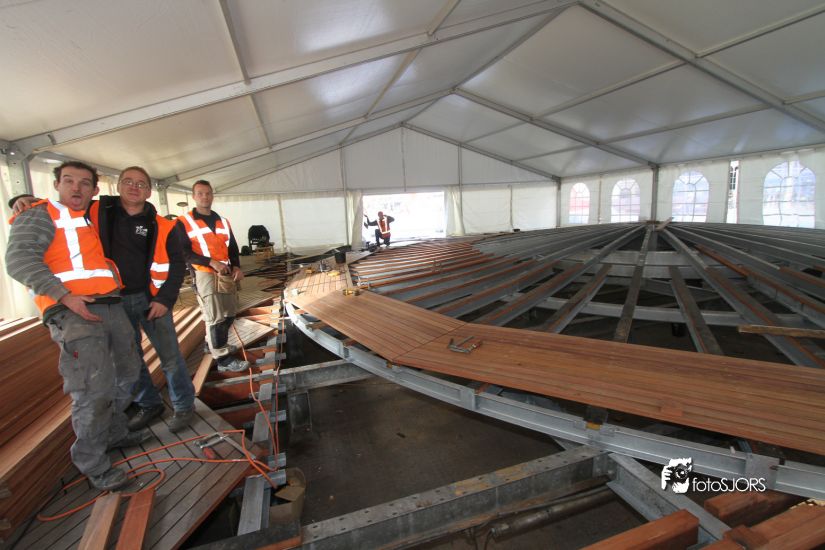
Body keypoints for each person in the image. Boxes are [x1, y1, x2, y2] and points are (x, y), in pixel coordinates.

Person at [11, 167, 196, 433]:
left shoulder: (164, 225)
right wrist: (22, 199)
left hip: (151, 300)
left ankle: (184, 406)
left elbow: (178, 265)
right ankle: (149, 403)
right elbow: (63, 203)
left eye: (141, 184)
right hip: (114, 301)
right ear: (116, 187)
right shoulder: (97, 210)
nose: (134, 187)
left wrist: (165, 300)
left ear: (149, 191)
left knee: (170, 356)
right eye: (128, 181)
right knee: (130, 359)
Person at [5, 161, 147, 491]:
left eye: (85, 183)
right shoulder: (39, 214)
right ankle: (92, 463)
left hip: (109, 303)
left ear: (95, 190)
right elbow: (18, 260)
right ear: (56, 185)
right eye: (69, 181)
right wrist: (64, 296)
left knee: (128, 371)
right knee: (92, 388)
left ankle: (113, 432)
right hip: (72, 310)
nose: (76, 188)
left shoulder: (88, 216)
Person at [174, 180, 249, 372]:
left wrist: (236, 266)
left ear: (212, 195)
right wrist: (211, 262)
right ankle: (223, 358)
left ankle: (211, 343)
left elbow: (232, 247)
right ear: (193, 196)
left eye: (208, 193)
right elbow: (183, 252)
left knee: (230, 313)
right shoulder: (183, 222)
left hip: (225, 273)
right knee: (215, 317)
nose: (205, 197)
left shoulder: (223, 221)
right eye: (200, 193)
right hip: (204, 273)